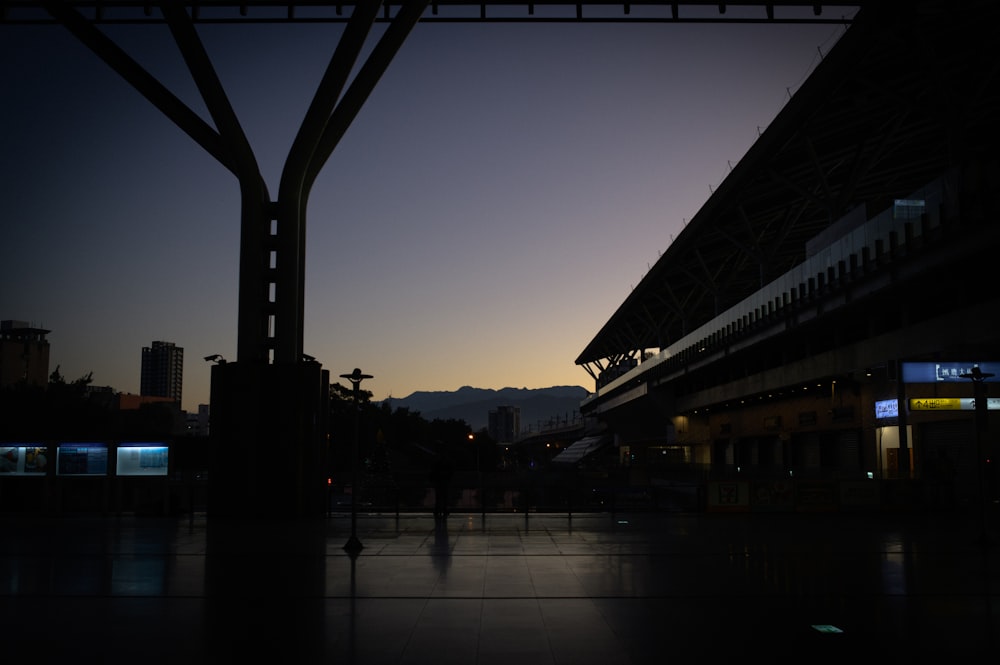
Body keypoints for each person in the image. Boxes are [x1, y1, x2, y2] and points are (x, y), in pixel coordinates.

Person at [429, 453, 453, 520]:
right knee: (444, 497)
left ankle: (438, 510)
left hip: (438, 482)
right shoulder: (447, 464)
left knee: (438, 497)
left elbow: (433, 472)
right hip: (444, 482)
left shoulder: (437, 463)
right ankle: (444, 510)